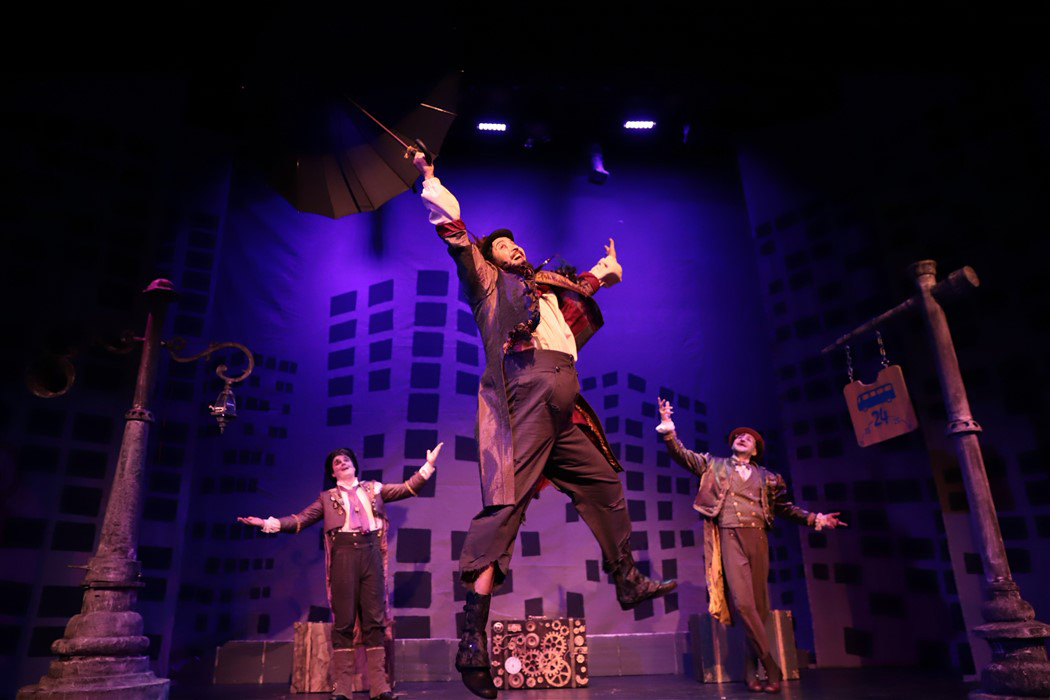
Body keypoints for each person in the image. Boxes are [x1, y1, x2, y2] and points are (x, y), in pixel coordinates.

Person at [412, 152, 675, 699]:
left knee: (603, 482)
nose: (512, 248)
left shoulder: (545, 289)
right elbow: (456, 236)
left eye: (515, 244)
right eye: (501, 246)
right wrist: (431, 181)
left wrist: (604, 271)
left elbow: (579, 290)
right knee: (505, 507)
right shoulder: (488, 284)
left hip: (564, 406)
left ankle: (626, 578)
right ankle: (472, 638)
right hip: (525, 396)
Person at [655, 398, 845, 693]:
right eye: (738, 436)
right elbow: (682, 455)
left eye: (749, 438)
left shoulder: (768, 478)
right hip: (729, 536)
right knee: (743, 604)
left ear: (755, 449)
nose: (742, 438)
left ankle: (749, 670)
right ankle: (770, 664)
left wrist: (815, 519)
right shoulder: (714, 465)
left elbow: (785, 508)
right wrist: (668, 426)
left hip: (758, 538)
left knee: (759, 608)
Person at [238, 442, 442, 700]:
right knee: (344, 621)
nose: (343, 462)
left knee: (374, 620)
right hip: (343, 556)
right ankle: (342, 688)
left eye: (346, 459)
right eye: (337, 462)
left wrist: (428, 466)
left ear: (354, 465)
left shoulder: (374, 489)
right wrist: (267, 523)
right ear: (333, 473)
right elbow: (300, 520)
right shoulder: (326, 498)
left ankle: (380, 687)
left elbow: (408, 488)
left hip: (371, 553)